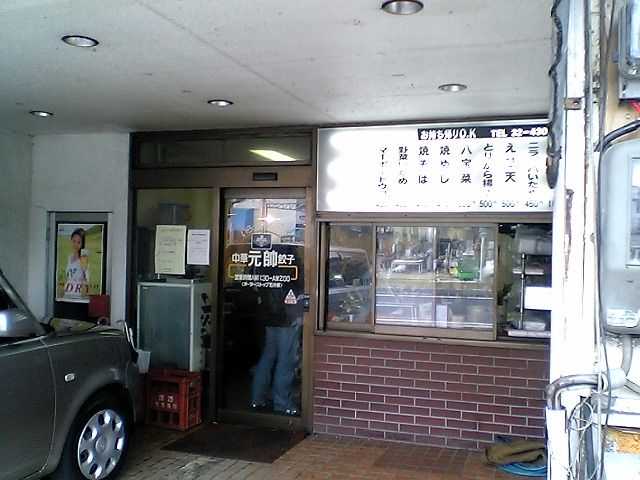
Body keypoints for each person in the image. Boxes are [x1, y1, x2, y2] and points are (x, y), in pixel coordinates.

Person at [250, 285, 302, 415]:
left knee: (268, 356)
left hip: (269, 314)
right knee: (286, 359)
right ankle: (282, 404)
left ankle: (257, 398)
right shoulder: (290, 271)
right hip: (288, 316)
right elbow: (299, 286)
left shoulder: (264, 270)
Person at [63, 228, 89, 300]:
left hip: (78, 296)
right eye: (74, 241)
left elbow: (86, 279)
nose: (75, 244)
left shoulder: (83, 259)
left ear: (82, 243)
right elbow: (68, 278)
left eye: (79, 242)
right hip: (67, 295)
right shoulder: (69, 257)